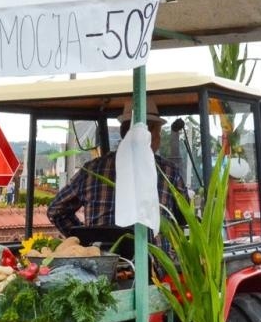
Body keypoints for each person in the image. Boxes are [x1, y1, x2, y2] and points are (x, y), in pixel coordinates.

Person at [47, 98, 186, 237]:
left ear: (122, 132)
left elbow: (56, 210)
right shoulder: (168, 172)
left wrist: (84, 239)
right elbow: (185, 217)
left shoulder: (91, 170)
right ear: (150, 135)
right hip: (153, 258)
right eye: (159, 133)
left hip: (101, 256)